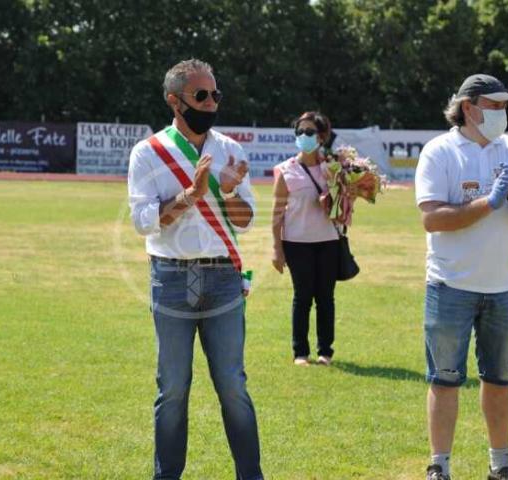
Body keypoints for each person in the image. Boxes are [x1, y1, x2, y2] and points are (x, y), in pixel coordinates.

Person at [127, 59, 262, 480]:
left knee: (233, 385)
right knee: (172, 388)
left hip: (223, 277)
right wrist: (190, 195)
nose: (210, 103)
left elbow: (246, 220)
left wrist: (228, 192)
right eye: (201, 96)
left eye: (215, 94)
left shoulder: (230, 150)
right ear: (175, 100)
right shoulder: (149, 152)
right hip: (170, 277)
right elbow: (143, 221)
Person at [414, 74, 508, 480]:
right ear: (468, 108)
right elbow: (433, 219)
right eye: (494, 105)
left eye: (505, 106)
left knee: (500, 381)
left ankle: (500, 464)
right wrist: (488, 203)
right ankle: (439, 466)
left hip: (504, 288)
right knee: (445, 380)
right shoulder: (440, 151)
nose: (502, 113)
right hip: (450, 286)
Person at [271, 111, 343, 366]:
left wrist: (341, 196)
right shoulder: (286, 170)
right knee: (302, 297)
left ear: (321, 137)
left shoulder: (333, 168)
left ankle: (325, 351)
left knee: (325, 297)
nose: (304, 136)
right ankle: (300, 352)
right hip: (296, 242)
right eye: (299, 132)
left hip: (328, 241)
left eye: (309, 132)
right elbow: (277, 212)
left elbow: (345, 205)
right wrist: (276, 248)